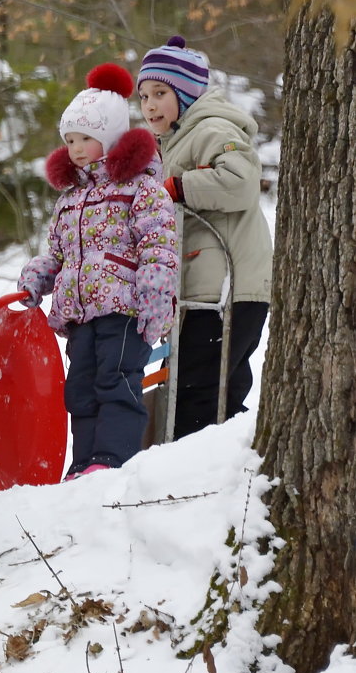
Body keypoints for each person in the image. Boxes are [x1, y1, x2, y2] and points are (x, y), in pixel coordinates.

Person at [18, 64, 178, 480]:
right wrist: (36, 277)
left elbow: (158, 245)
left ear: (109, 139)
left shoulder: (140, 189)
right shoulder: (70, 199)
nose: (75, 148)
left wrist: (154, 300)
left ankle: (111, 460)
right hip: (80, 314)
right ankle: (83, 462)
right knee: (80, 390)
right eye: (69, 140)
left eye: (85, 139)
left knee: (116, 382)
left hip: (125, 311)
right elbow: (57, 252)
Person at [138, 37, 273, 439]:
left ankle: (189, 478)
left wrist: (177, 188)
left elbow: (240, 181)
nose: (149, 105)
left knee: (196, 390)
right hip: (210, 289)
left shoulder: (212, 128)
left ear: (187, 93)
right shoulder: (175, 142)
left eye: (160, 93)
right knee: (221, 392)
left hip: (226, 290)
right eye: (143, 96)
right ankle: (227, 469)